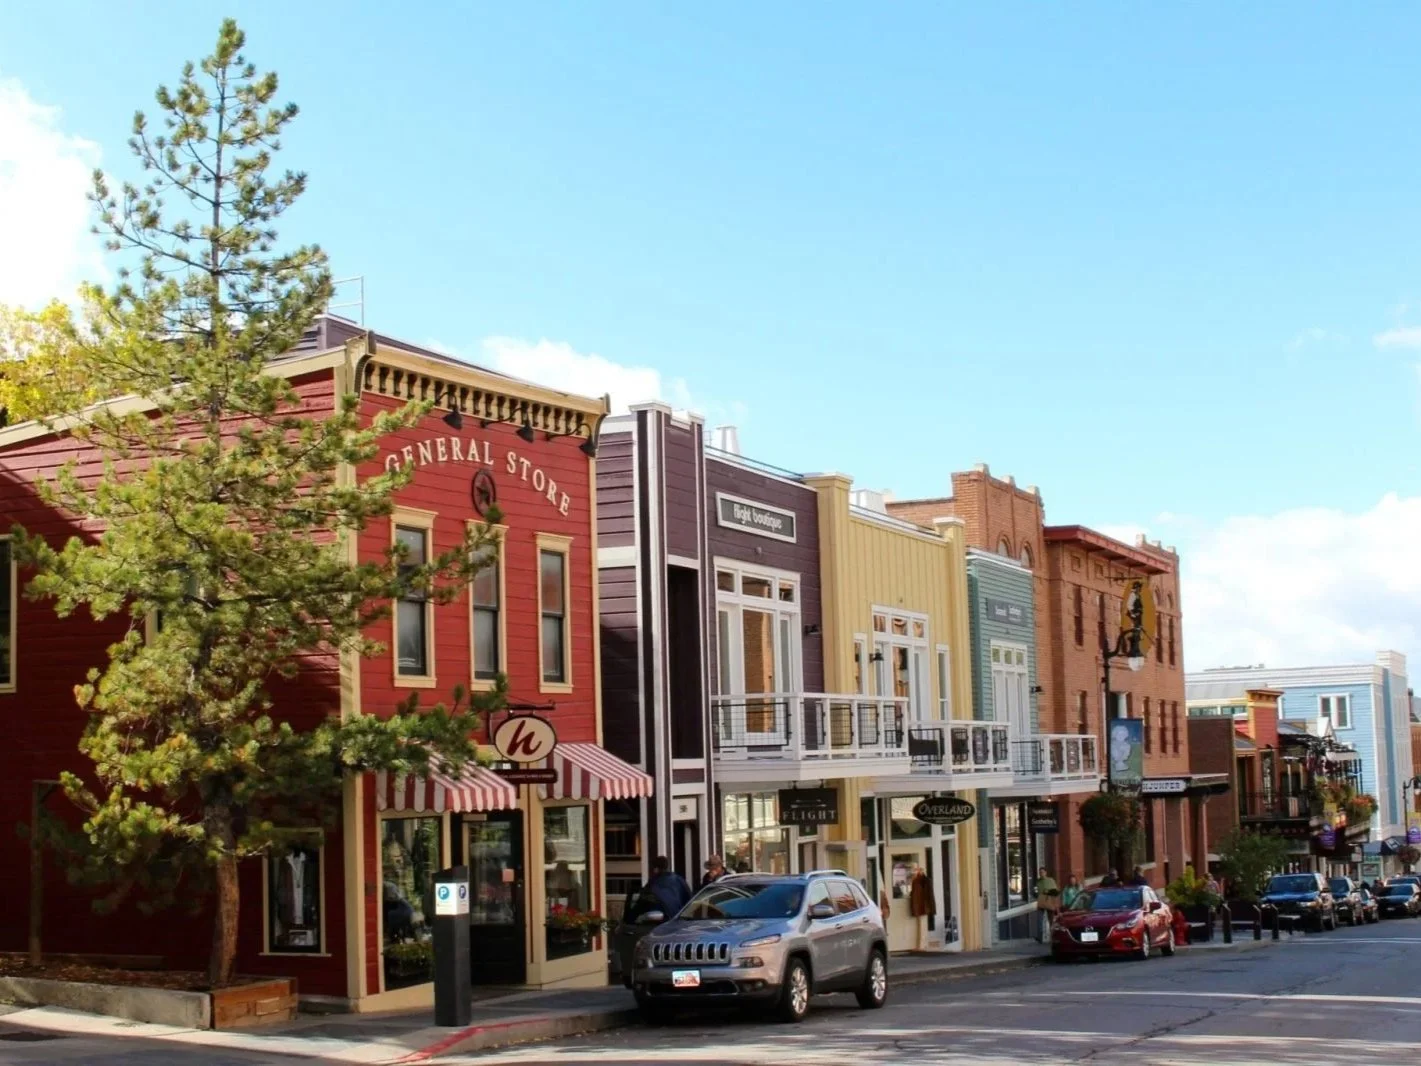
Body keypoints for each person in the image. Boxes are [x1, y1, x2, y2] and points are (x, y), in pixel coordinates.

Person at [1035, 867, 1060, 941]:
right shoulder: (1038, 882)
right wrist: (1036, 893)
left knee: (1051, 920)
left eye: (1042, 872)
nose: (1041, 874)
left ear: (1046, 873)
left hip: (1049, 902)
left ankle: (1053, 936)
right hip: (1041, 902)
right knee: (1039, 920)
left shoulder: (1050, 880)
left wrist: (1047, 892)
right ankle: (1040, 937)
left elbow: (1056, 892)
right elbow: (1036, 891)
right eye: (1040, 872)